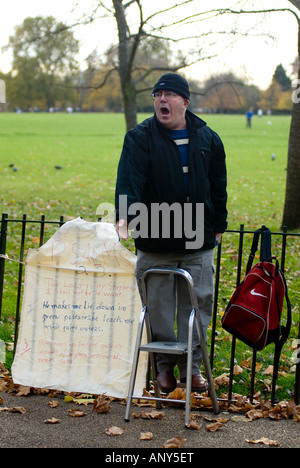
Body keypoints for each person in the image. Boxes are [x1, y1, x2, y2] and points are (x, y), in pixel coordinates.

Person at [115, 73, 228, 394]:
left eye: (168, 94)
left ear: (184, 102)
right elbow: (129, 179)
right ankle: (163, 368)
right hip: (155, 238)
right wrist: (125, 216)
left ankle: (191, 371)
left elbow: (217, 185)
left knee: (197, 307)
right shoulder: (139, 137)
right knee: (159, 308)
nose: (161, 100)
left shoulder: (208, 138)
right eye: (157, 95)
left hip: (197, 241)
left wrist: (218, 223)